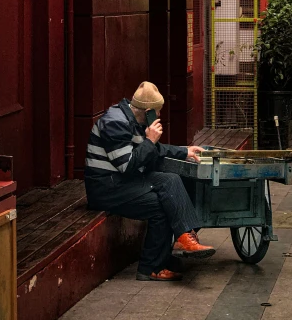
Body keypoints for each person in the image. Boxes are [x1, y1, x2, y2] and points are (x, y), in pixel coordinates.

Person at [85, 81, 214, 282]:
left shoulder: (132, 119)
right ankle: (155, 263)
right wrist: (150, 141)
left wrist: (184, 151)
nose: (159, 116)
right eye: (157, 112)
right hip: (107, 188)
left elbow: (153, 151)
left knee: (171, 180)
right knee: (162, 206)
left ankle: (180, 240)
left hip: (122, 182)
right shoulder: (115, 123)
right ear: (147, 112)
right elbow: (127, 166)